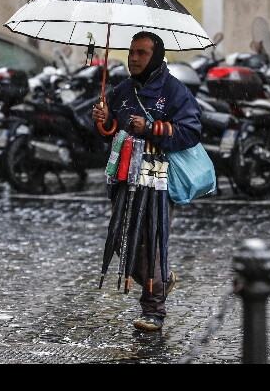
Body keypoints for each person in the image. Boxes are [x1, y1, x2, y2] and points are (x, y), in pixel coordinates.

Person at [92, 31, 202, 332]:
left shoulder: (174, 90)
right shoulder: (122, 90)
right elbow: (111, 129)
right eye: (131, 53)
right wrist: (103, 119)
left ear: (155, 56)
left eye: (141, 53)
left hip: (157, 180)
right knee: (120, 243)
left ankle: (154, 309)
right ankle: (161, 281)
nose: (134, 58)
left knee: (150, 244)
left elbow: (191, 130)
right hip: (124, 178)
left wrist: (153, 127)